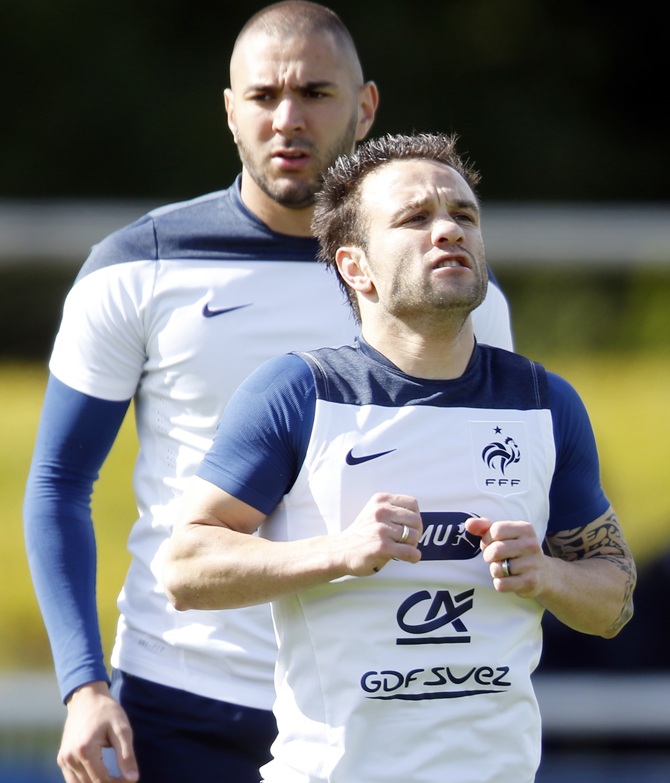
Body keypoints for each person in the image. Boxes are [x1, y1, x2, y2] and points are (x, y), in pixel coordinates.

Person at [23, 3, 513, 782]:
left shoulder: (454, 290)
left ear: (366, 108)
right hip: (182, 701)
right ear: (229, 109)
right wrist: (83, 685)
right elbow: (56, 484)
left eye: (316, 93)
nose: (287, 118)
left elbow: (486, 486)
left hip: (372, 704)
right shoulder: (137, 268)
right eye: (262, 97)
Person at [162, 132, 636, 783]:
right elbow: (185, 567)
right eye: (416, 218)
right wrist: (340, 552)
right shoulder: (299, 393)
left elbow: (613, 599)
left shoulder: (544, 402)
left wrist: (549, 573)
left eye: (463, 215)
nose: (448, 230)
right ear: (356, 267)